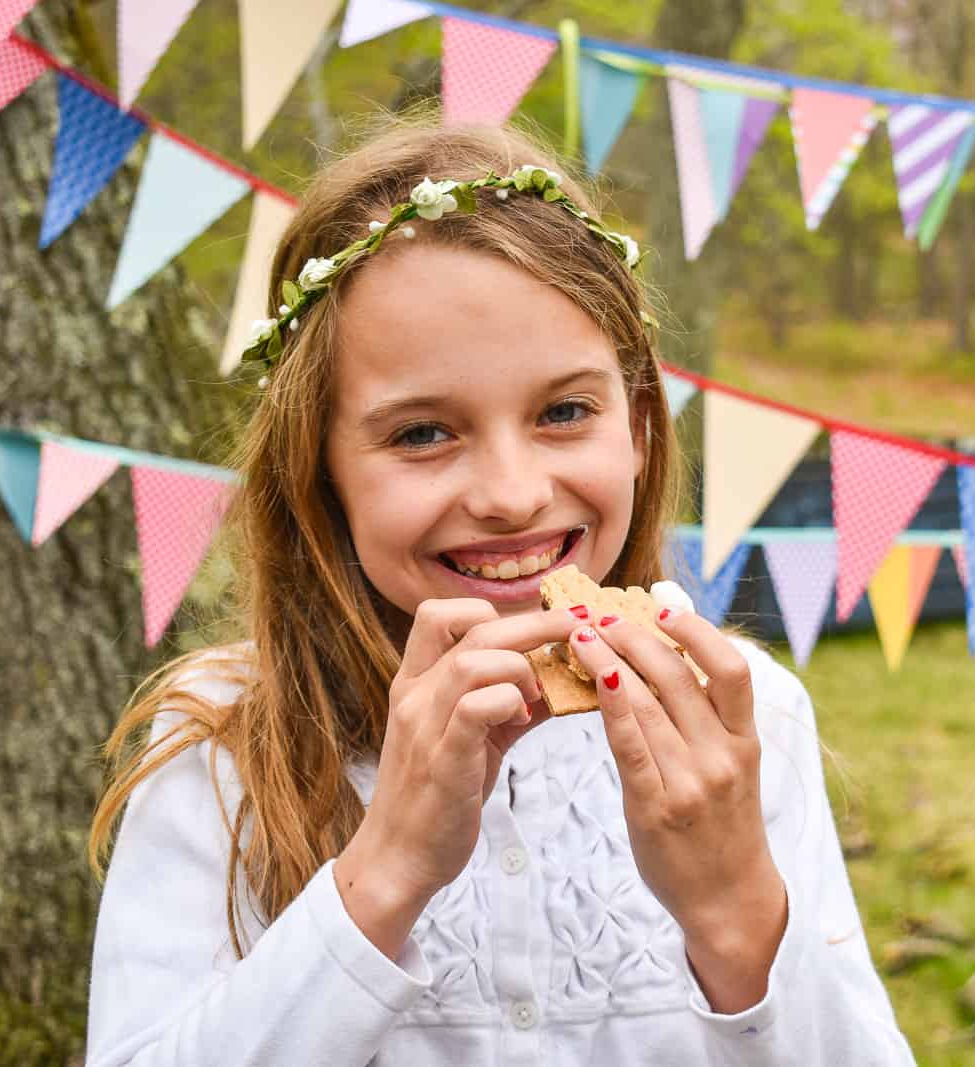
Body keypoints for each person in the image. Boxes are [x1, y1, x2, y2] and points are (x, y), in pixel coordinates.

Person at [84, 116, 917, 1066]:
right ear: (320, 470)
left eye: (565, 411)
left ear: (639, 426)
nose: (514, 493)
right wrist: (388, 865)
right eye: (422, 433)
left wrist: (735, 911)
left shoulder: (748, 719)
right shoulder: (224, 738)